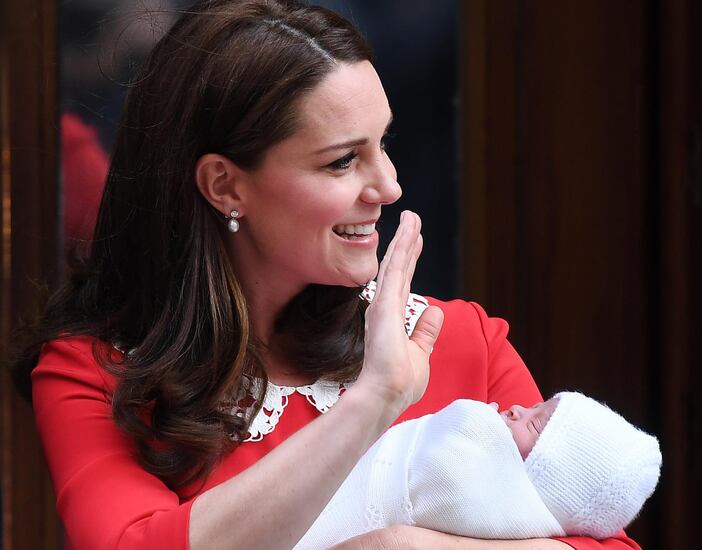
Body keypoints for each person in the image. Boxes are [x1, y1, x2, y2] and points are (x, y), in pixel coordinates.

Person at [13, 1, 642, 549]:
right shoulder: (95, 371)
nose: (390, 186)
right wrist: (372, 402)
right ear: (225, 185)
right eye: (343, 161)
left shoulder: (458, 338)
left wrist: (405, 548)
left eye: (383, 144)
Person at [295, 393, 661, 549]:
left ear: (552, 484)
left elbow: (457, 437)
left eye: (536, 425)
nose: (517, 408)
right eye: (536, 406)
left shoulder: (483, 482)